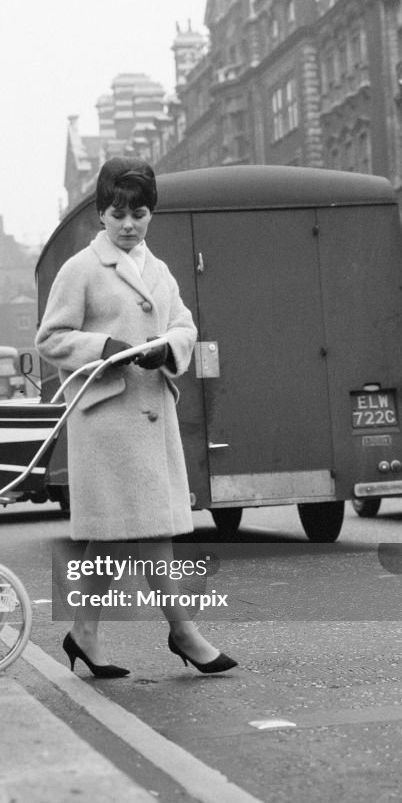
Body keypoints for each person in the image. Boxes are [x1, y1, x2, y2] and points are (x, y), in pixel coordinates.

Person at [36, 157, 236, 677]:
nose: (128, 224)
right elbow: (51, 338)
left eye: (140, 213)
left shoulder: (160, 270)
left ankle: (85, 632)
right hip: (107, 422)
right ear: (101, 212)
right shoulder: (80, 269)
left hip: (150, 412)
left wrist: (166, 348)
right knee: (145, 531)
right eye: (118, 212)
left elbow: (185, 327)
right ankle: (185, 633)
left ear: (151, 214)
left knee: (121, 531)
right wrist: (106, 346)